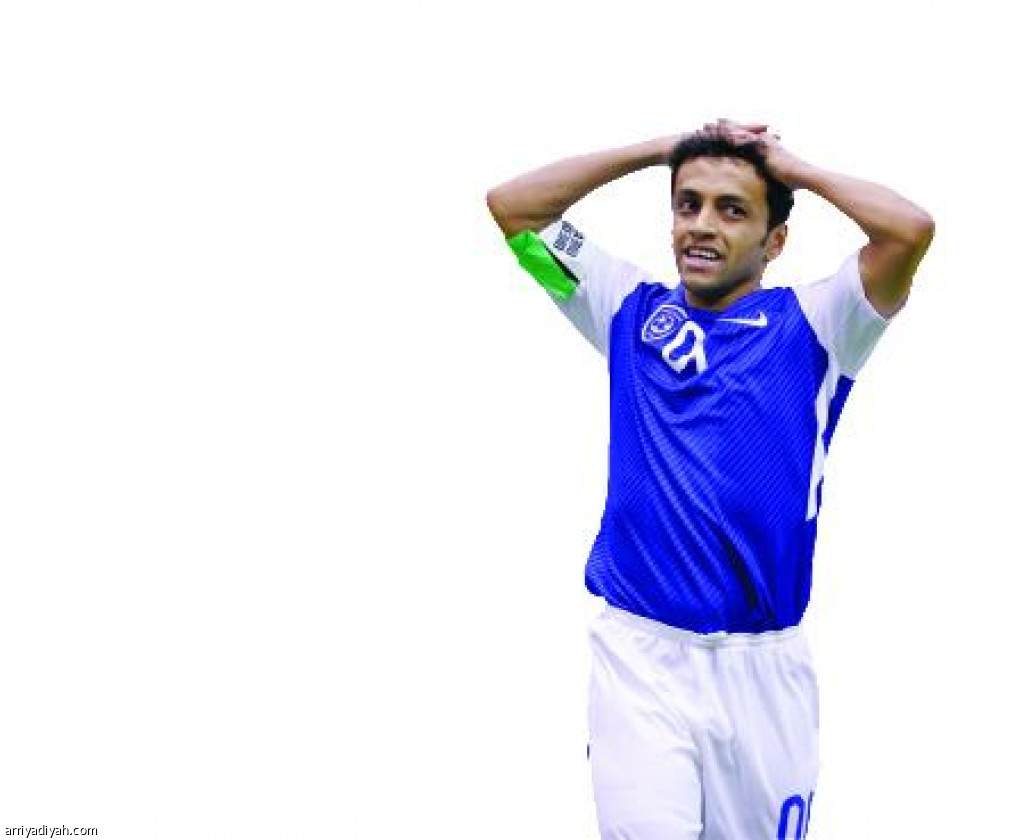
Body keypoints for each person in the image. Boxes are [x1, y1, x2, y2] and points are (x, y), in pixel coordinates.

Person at [485, 119, 934, 840]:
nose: (701, 225)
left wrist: (793, 168)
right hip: (640, 661)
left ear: (774, 241)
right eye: (687, 204)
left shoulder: (822, 324)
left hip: (765, 673)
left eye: (732, 210)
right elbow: (514, 210)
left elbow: (909, 231)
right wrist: (659, 150)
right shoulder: (623, 308)